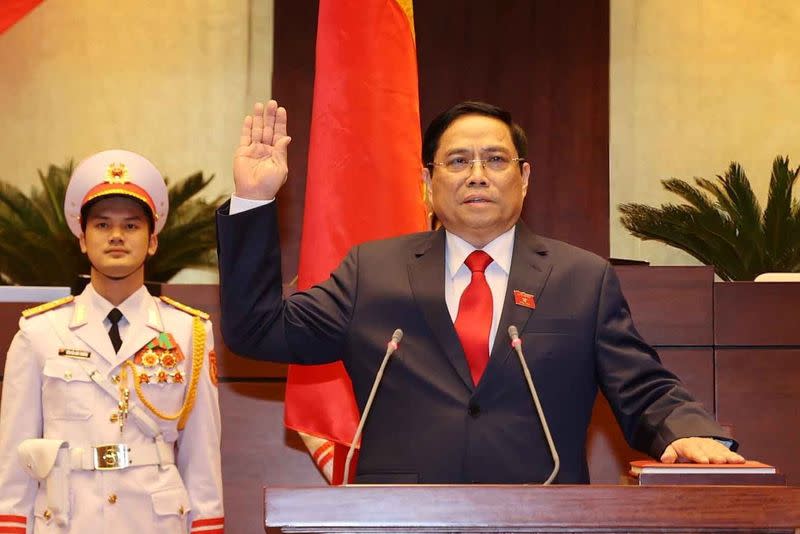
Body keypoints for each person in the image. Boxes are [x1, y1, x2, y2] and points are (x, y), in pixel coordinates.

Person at [216, 100, 743, 484]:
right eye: (457, 161)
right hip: (400, 518)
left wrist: (689, 432)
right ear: (427, 181)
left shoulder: (581, 277)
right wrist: (253, 203)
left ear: (524, 176)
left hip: (541, 511)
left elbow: (642, 385)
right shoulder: (371, 271)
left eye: (495, 160)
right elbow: (259, 331)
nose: (477, 176)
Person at [0, 150, 224, 533]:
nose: (117, 236)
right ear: (82, 240)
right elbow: (15, 455)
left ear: (152, 241)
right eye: (102, 225)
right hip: (69, 520)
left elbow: (202, 453)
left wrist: (207, 524)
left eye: (132, 226)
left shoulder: (189, 332)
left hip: (155, 522)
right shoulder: (39, 333)